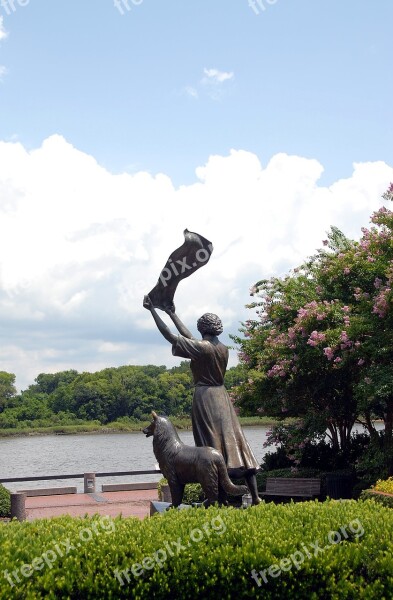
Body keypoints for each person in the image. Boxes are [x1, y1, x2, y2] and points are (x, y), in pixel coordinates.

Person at [143, 295, 261, 504]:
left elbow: (171, 336)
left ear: (202, 328)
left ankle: (219, 497)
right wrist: (172, 313)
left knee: (210, 444)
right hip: (222, 397)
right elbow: (191, 339)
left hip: (205, 398)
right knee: (236, 442)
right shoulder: (222, 348)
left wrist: (152, 310)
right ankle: (254, 496)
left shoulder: (202, 348)